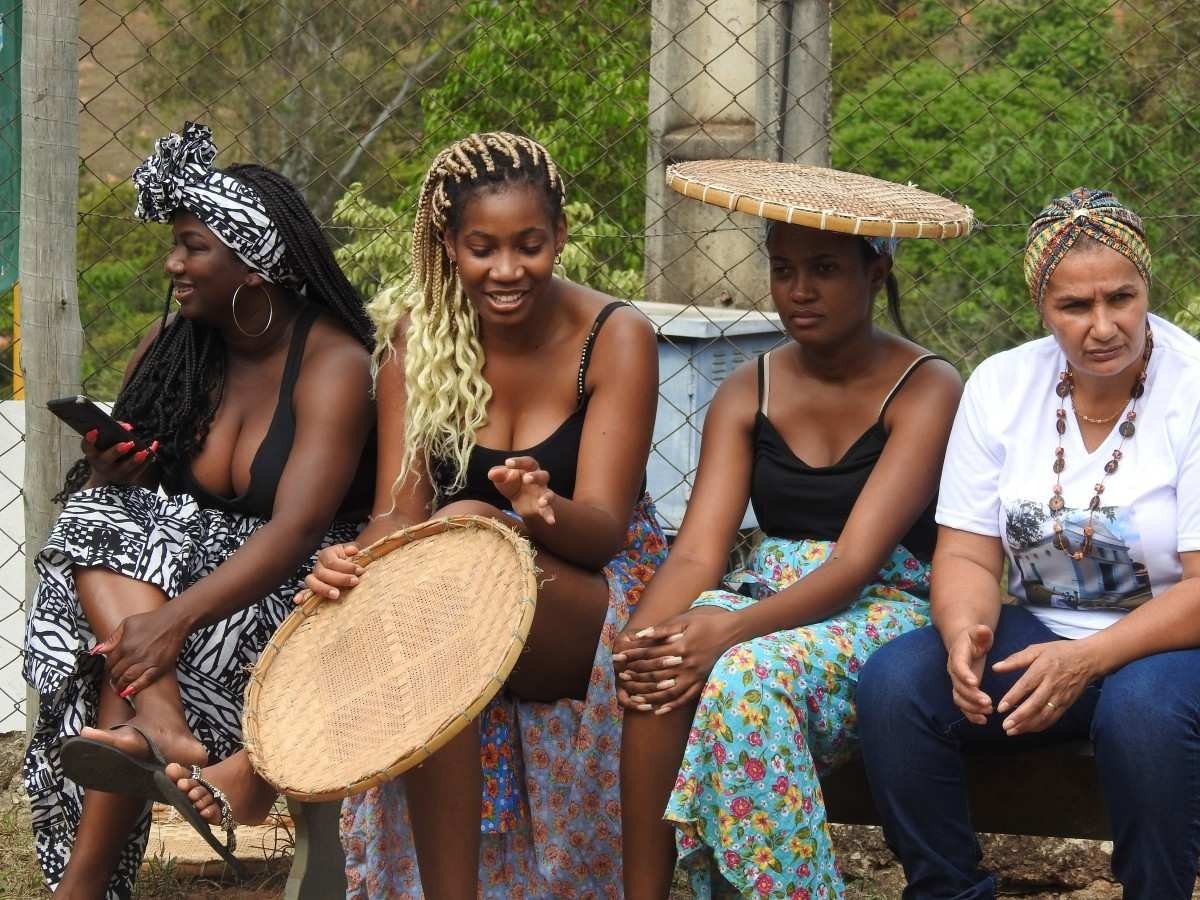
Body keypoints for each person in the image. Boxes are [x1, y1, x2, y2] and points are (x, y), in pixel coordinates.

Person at [166, 131, 666, 897]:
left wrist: (535, 509)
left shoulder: (614, 337)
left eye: (530, 246)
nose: (508, 270)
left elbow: (601, 533)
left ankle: (260, 771)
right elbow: (395, 515)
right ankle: (279, 773)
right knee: (391, 574)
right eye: (482, 248)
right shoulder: (417, 337)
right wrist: (356, 560)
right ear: (448, 245)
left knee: (469, 526)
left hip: (591, 596)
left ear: (560, 237)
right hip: (459, 597)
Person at [22, 122, 375, 900]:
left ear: (254, 265)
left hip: (292, 601)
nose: (173, 264)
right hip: (167, 611)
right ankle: (158, 722)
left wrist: (172, 621)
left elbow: (299, 530)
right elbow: (131, 511)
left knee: (134, 649)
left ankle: (99, 847)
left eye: (193, 246)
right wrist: (112, 469)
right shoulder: (171, 345)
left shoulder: (334, 363)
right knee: (94, 512)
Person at [856, 188, 1200, 900]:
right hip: (1044, 637)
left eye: (1122, 298)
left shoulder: (1192, 388)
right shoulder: (1003, 386)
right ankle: (949, 890)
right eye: (1075, 307)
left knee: (1140, 712)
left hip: (1173, 648)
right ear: (1042, 307)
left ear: (1147, 289)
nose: (1103, 325)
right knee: (897, 686)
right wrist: (963, 635)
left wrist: (1088, 659)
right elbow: (968, 553)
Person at [616, 211, 963, 898]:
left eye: (826, 270)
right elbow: (696, 556)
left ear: (877, 272)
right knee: (660, 673)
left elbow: (856, 563)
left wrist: (729, 630)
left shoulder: (927, 387)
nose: (800, 290)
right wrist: (640, 640)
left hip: (882, 610)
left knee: (746, 672)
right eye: (783, 270)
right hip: (763, 595)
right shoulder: (750, 388)